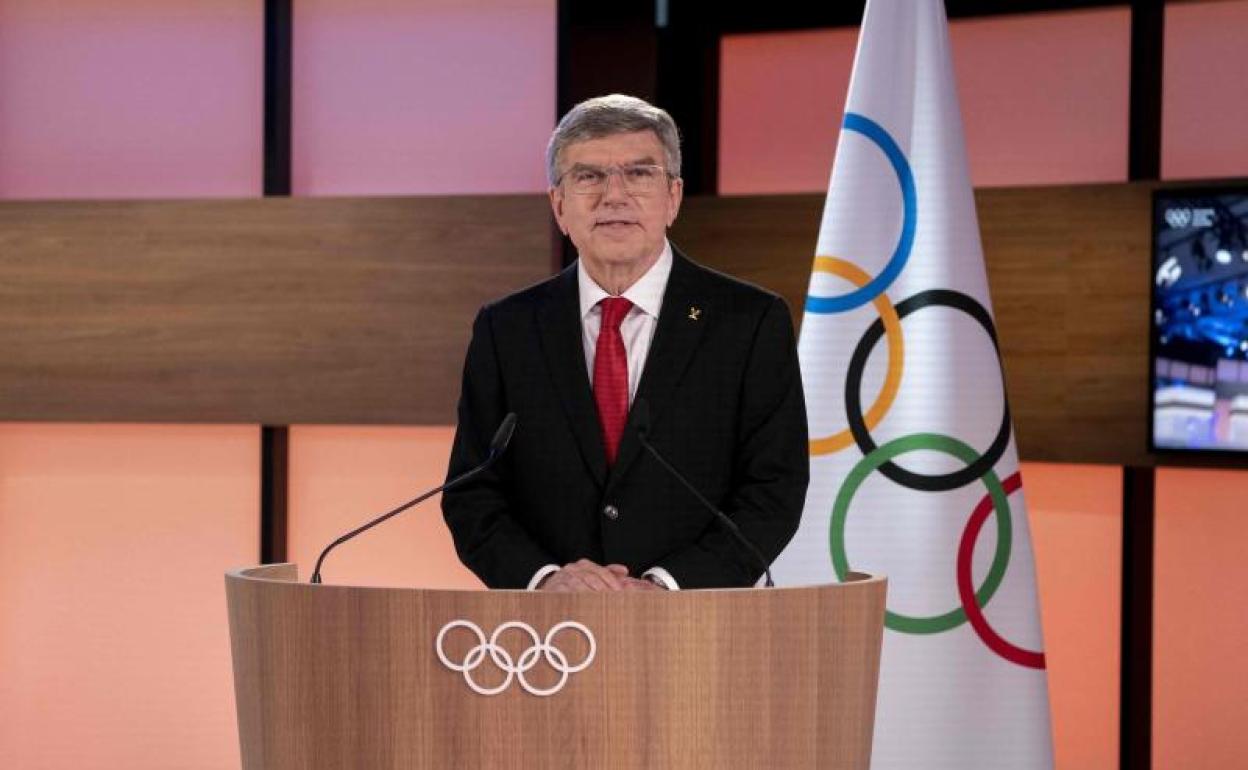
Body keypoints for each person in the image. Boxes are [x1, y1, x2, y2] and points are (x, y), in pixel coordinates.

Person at [441, 94, 808, 591]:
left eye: (639, 174)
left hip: (699, 624)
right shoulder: (506, 329)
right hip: (543, 636)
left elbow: (773, 491)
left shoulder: (749, 322)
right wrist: (545, 579)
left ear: (673, 197)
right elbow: (471, 492)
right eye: (588, 176)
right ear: (559, 205)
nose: (614, 195)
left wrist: (668, 584)